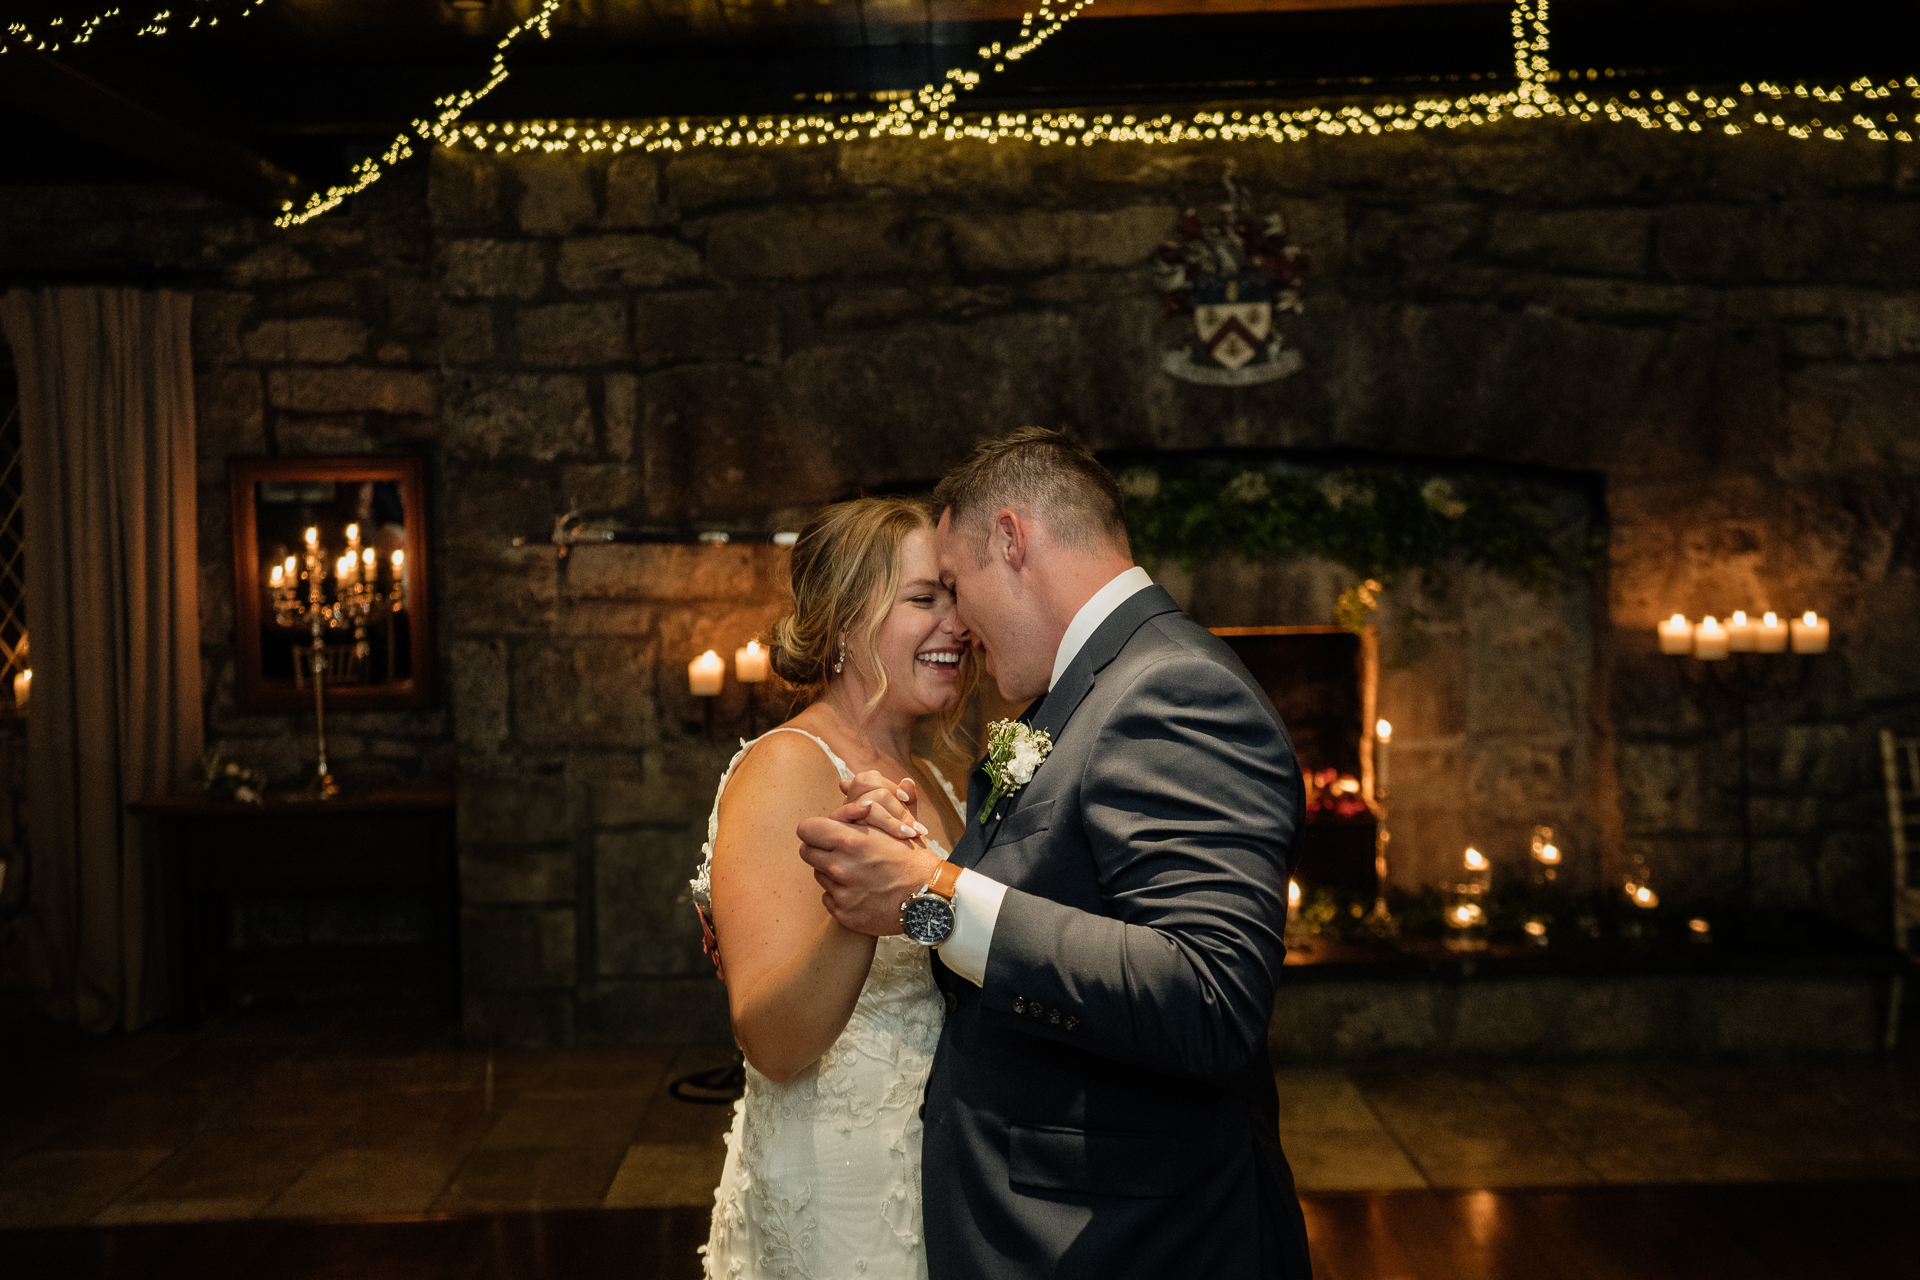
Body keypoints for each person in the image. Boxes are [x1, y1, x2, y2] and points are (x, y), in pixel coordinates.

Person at [798, 428, 1314, 1279]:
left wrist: (933, 896)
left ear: (1013, 540)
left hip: (1135, 1242)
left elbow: (1211, 996)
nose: (956, 625)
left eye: (956, 589)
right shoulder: (1076, 696)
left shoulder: (1172, 690)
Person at [691, 496, 978, 1280]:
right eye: (924, 599)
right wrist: (857, 915)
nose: (957, 623)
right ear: (846, 620)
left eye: (956, 596)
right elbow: (772, 1042)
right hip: (840, 1188)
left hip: (938, 1172)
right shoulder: (789, 767)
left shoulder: (937, 780)